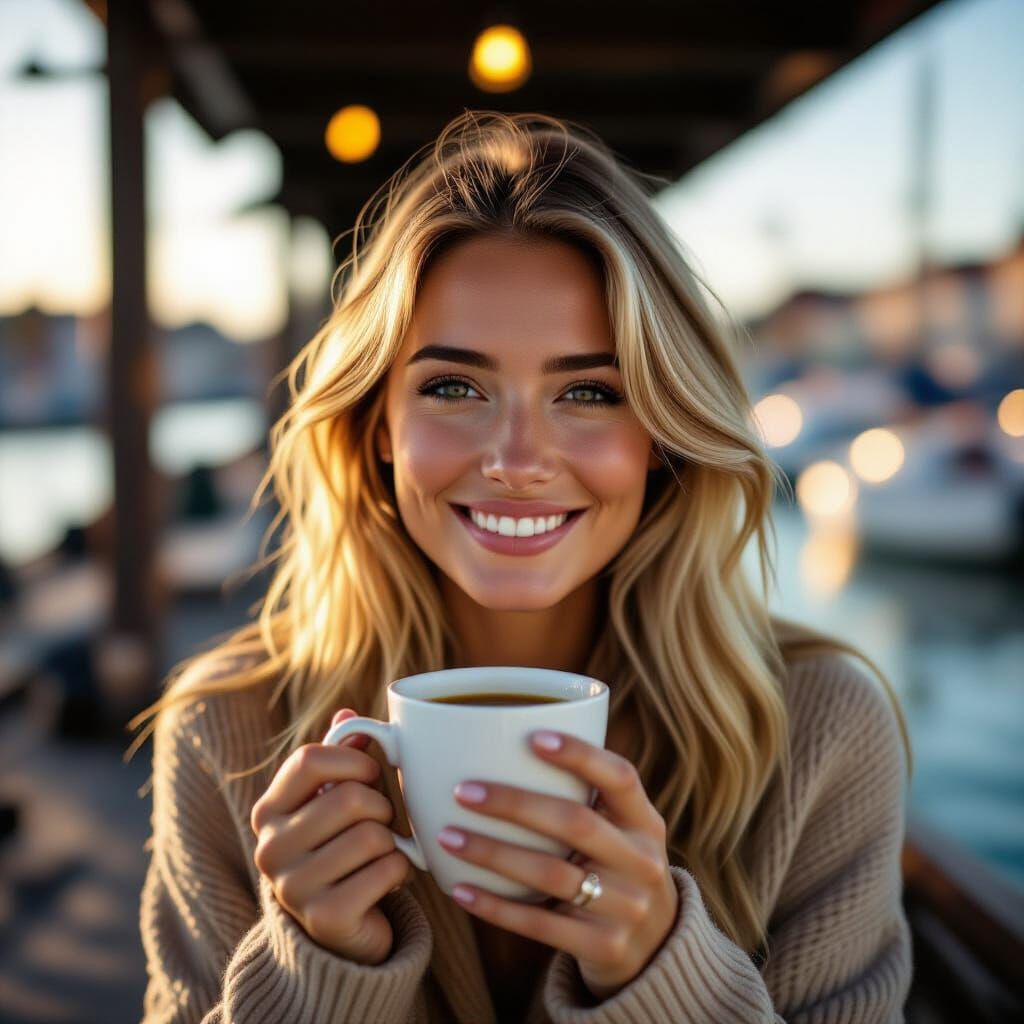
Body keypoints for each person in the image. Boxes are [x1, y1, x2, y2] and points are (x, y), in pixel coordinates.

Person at [125, 110, 913, 1023]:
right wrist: (313, 975)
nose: (517, 456)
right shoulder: (226, 738)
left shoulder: (819, 735)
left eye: (589, 392)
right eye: (454, 386)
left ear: (660, 434)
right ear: (380, 424)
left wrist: (662, 977)